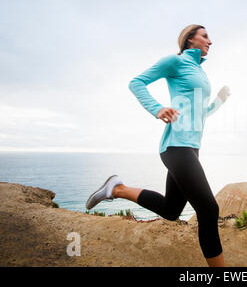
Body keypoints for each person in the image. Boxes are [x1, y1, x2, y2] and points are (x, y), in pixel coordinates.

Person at [85, 24, 231, 267]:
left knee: (170, 210)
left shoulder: (200, 72)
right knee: (208, 210)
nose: (210, 41)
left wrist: (219, 101)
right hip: (176, 147)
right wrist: (158, 109)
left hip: (191, 148)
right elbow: (137, 83)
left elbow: (201, 113)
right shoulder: (176, 62)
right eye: (205, 36)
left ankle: (116, 189)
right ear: (189, 40)